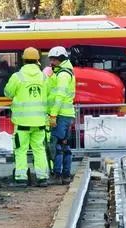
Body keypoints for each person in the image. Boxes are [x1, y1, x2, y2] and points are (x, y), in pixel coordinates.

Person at [4, 47, 49, 187]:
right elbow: (48, 95)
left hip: (22, 123)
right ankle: (43, 178)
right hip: (40, 122)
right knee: (39, 149)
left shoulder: (17, 77)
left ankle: (21, 178)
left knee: (21, 150)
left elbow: (8, 93)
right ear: (37, 60)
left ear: (23, 60)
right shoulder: (43, 77)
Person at [47, 46, 76, 185]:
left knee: (57, 145)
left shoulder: (63, 75)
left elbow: (60, 96)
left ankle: (58, 175)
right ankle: (66, 175)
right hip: (67, 114)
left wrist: (53, 114)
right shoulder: (64, 72)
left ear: (61, 59)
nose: (52, 62)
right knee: (65, 145)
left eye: (53, 59)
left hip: (61, 115)